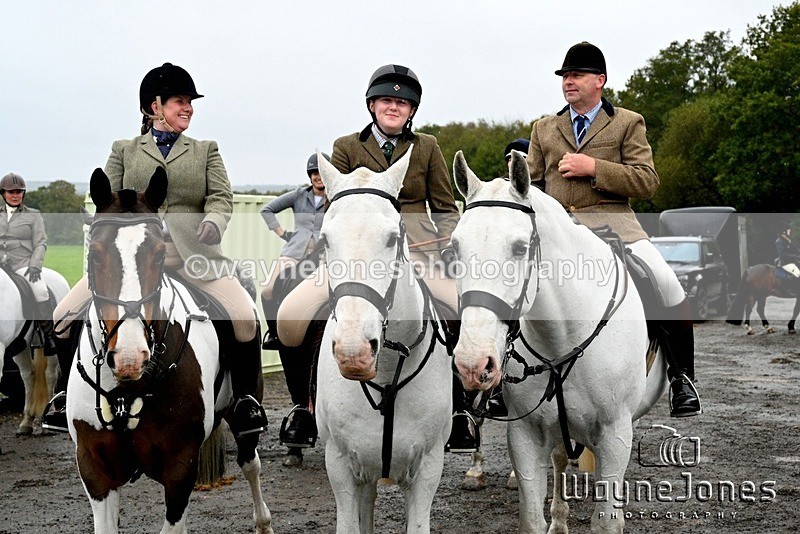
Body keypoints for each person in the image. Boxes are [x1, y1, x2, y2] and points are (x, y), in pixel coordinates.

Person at [43, 63, 267, 437]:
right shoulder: (124, 151)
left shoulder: (206, 150)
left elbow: (221, 198)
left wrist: (214, 222)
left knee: (244, 318)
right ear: (154, 106)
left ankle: (244, 402)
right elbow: (105, 201)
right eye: (180, 101)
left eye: (190, 102)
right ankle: (67, 394)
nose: (189, 108)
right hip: (130, 261)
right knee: (63, 315)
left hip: (192, 257)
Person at [276, 64, 480, 453]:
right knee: (290, 316)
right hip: (355, 256)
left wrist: (448, 241)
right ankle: (303, 407)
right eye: (387, 100)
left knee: (459, 310)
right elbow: (333, 207)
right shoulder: (347, 147)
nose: (394, 107)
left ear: (412, 111)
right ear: (372, 105)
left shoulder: (428, 148)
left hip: (418, 255)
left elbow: (444, 206)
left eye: (402, 103)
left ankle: (458, 411)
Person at [526, 42, 701, 417]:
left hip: (615, 226)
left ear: (600, 81)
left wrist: (594, 168)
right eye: (565, 77)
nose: (568, 82)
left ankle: (682, 378)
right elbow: (534, 188)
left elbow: (647, 181)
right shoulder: (544, 128)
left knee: (666, 281)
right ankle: (501, 384)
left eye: (577, 76)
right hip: (560, 230)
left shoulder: (626, 122)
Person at [259, 152, 328, 351]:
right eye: (314, 173)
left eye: (321, 172)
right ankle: (274, 333)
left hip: (324, 256)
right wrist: (282, 233)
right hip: (295, 252)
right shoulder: (299, 195)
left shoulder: (335, 197)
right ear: (310, 176)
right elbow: (267, 209)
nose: (318, 176)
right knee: (268, 290)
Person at [0, 173, 57, 356]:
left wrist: (35, 266)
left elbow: (40, 243)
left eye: (19, 192)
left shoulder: (33, 216)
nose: (15, 195)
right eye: (11, 192)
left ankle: (48, 336)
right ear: (3, 194)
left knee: (40, 289)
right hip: (0, 265)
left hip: (23, 264)